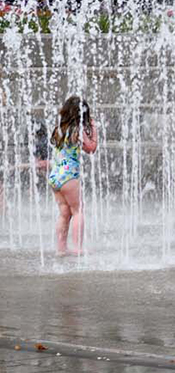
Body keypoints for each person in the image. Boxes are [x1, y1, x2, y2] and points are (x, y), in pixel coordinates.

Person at [47, 96, 97, 257]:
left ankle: (61, 249)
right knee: (78, 210)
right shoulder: (77, 130)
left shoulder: (58, 129)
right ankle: (78, 248)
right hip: (69, 175)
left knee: (64, 213)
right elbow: (91, 148)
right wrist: (94, 129)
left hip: (55, 176)